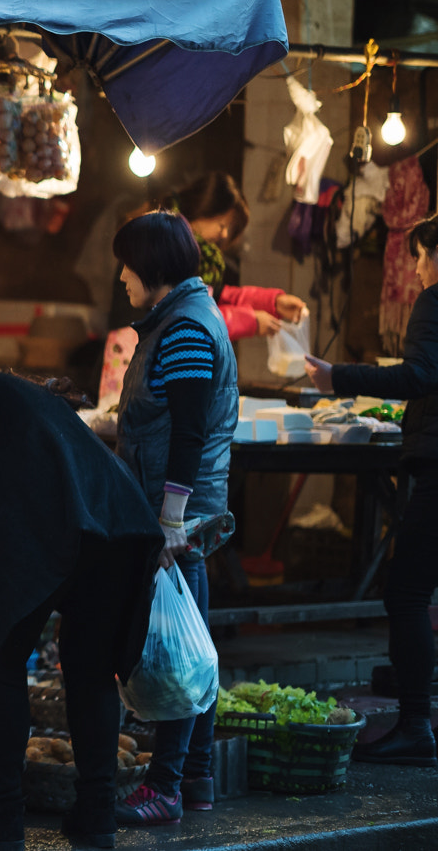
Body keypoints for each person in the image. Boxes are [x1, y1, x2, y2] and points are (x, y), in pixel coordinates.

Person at [0, 365, 162, 851]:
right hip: (119, 523)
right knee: (91, 671)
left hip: (50, 525)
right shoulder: (15, 394)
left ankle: (0, 813)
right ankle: (97, 812)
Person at [111, 211, 239, 825]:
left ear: (153, 268)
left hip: (180, 519)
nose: (121, 277)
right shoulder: (170, 323)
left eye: (128, 265)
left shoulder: (186, 329)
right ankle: (195, 779)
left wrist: (171, 520)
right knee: (192, 641)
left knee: (181, 650)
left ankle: (167, 785)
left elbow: (188, 432)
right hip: (171, 510)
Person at [305, 214, 438, 767]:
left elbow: (419, 375)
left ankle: (415, 726)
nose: (417, 267)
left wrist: (341, 377)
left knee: (405, 595)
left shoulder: (435, 300)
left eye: (422, 256)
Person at [168, 172, 307, 340]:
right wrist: (250, 320)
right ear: (203, 209)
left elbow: (220, 295)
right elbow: (190, 321)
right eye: (222, 225)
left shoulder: (198, 257)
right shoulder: (169, 248)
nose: (225, 234)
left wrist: (275, 303)